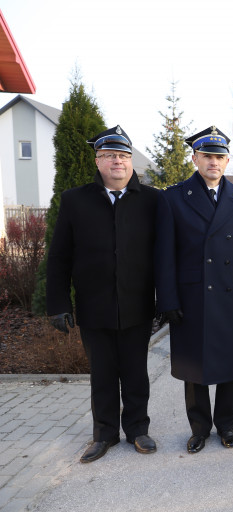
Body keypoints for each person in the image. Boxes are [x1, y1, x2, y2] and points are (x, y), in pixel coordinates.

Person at [47, 125, 159, 463]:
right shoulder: (75, 200)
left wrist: (166, 300)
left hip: (137, 305)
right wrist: (58, 303)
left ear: (131, 162)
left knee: (136, 372)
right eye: (110, 155)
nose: (118, 162)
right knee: (103, 374)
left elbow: (165, 254)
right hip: (94, 306)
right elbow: (59, 256)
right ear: (97, 161)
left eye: (123, 156)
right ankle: (104, 434)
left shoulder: (153, 200)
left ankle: (138, 429)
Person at [155, 126, 233, 454]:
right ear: (195, 158)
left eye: (219, 157)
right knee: (194, 366)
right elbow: (165, 254)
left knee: (229, 364)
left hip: (230, 293)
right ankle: (199, 428)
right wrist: (167, 299)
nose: (213, 162)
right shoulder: (174, 197)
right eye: (207, 156)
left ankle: (227, 426)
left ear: (227, 161)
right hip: (192, 295)